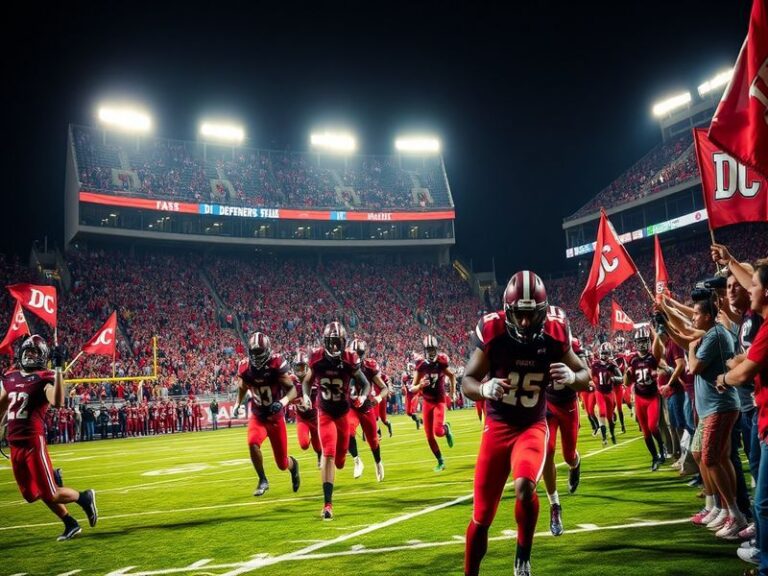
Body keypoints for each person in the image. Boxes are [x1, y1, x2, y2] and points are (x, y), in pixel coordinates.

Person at [462, 271, 590, 576]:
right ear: (508, 310)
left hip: (532, 425)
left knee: (523, 486)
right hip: (497, 426)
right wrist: (483, 388)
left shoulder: (556, 333)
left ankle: (522, 557)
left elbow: (585, 375)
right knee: (481, 516)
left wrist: (573, 378)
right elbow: (466, 380)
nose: (523, 322)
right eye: (518, 314)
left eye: (531, 315)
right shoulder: (492, 331)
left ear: (542, 313)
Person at [0, 335, 98, 541]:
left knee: (51, 493)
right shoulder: (10, 377)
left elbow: (59, 401)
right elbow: (2, 405)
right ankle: (70, 522)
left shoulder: (44, 377)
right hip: (14, 443)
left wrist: (60, 369)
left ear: (43, 356)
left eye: (34, 352)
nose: (29, 355)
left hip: (33, 443)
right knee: (30, 495)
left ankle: (84, 497)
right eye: (27, 351)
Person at [715, 259, 768, 570]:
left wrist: (725, 377)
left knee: (763, 504)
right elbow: (747, 360)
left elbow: (744, 371)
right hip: (761, 418)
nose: (751, 291)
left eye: (755, 287)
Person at [301, 321, 372, 520]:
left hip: (343, 414)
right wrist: (306, 396)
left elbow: (365, 384)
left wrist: (363, 397)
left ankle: (346, 463)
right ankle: (327, 504)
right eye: (331, 343)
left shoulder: (350, 359)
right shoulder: (316, 359)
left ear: (344, 342)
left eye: (337, 343)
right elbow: (307, 381)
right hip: (324, 412)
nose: (334, 347)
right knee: (328, 453)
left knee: (340, 461)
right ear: (325, 342)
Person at [233, 332, 300, 498]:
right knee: (252, 442)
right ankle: (262, 480)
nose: (256, 356)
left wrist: (282, 402)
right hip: (259, 416)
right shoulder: (245, 367)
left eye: (259, 352)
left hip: (276, 419)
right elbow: (242, 387)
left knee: (282, 464)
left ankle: (294, 466)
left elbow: (292, 390)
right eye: (253, 352)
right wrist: (237, 403)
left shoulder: (276, 364)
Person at [542, 335, 586, 537]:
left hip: (568, 405)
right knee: (547, 451)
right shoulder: (534, 342)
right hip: (547, 404)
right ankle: (555, 505)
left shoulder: (571, 344)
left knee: (568, 455)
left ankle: (575, 464)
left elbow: (586, 376)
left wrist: (574, 377)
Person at [411, 335, 456, 471]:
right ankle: (440, 461)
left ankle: (446, 429)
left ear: (436, 349)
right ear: (425, 350)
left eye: (433, 349)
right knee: (429, 436)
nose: (431, 352)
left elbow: (452, 375)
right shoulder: (421, 365)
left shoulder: (441, 362)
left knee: (438, 431)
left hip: (439, 401)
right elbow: (412, 387)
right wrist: (420, 386)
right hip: (427, 402)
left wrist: (452, 392)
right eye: (428, 349)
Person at [624, 326, 666, 470]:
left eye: (644, 341)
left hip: (652, 396)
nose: (642, 344)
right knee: (645, 431)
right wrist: (627, 374)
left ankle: (662, 449)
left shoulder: (653, 357)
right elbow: (626, 383)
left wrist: (660, 371)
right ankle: (654, 457)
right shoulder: (632, 359)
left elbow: (663, 364)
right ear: (635, 343)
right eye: (639, 341)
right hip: (640, 398)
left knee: (653, 426)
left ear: (648, 341)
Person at [347, 339, 387, 481]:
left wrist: (378, 399)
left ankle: (378, 462)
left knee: (373, 441)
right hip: (351, 407)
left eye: (358, 353)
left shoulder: (369, 366)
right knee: (347, 430)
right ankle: (357, 461)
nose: (356, 355)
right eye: (354, 353)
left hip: (366, 407)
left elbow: (384, 388)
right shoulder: (342, 365)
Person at [291, 351, 321, 467]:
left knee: (317, 446)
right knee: (304, 444)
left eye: (301, 366)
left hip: (314, 417)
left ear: (307, 366)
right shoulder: (291, 381)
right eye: (297, 367)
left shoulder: (314, 380)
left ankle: (320, 455)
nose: (299, 370)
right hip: (302, 417)